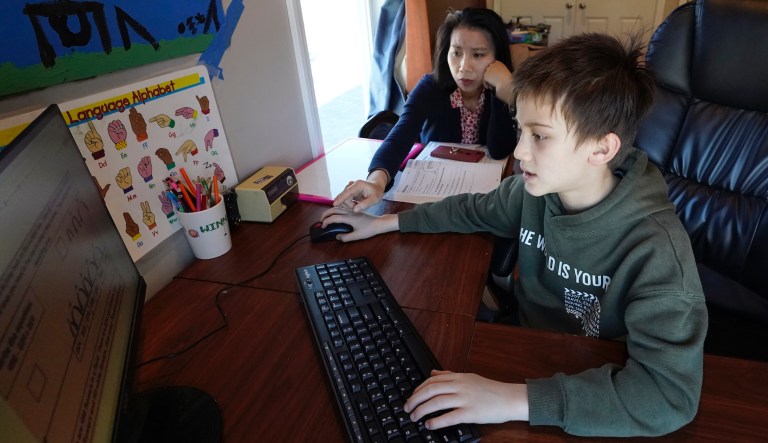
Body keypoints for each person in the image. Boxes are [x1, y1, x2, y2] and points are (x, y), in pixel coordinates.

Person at [319, 32, 707, 437]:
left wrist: (510, 400)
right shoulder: (534, 192)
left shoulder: (657, 250)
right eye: (521, 131)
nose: (520, 152)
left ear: (601, 149)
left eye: (539, 136)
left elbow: (668, 396)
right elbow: (471, 209)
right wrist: (382, 222)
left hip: (595, 388)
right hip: (528, 351)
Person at [334, 7, 518, 211]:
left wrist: (504, 90)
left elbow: (500, 149)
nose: (464, 67)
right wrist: (377, 181)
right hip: (431, 197)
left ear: (497, 58)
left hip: (479, 201)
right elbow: (399, 136)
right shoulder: (431, 87)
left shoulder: (499, 88)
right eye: (456, 53)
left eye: (478, 55)